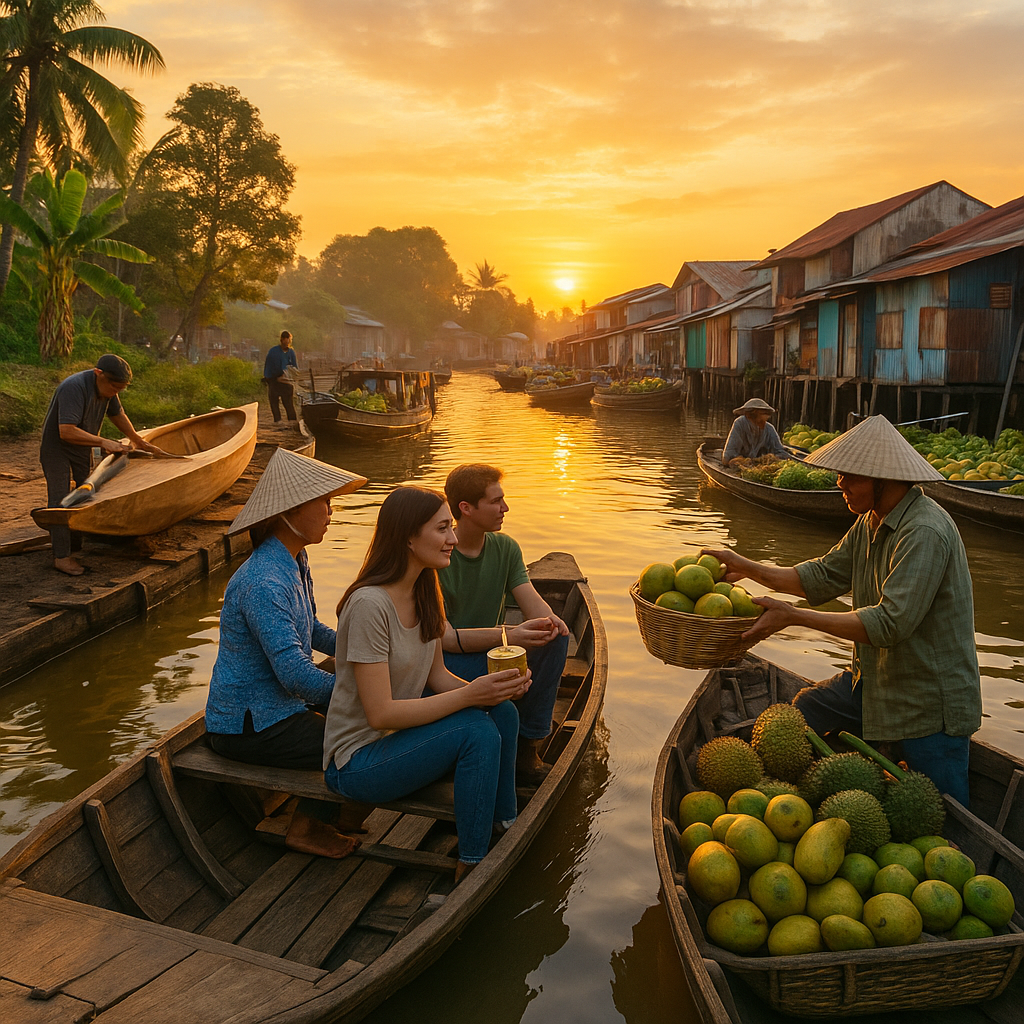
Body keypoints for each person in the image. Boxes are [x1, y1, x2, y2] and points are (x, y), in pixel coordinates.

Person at [703, 415, 982, 806]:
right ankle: (832, 790)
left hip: (926, 701)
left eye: (850, 476)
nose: (840, 484)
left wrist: (795, 616)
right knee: (808, 708)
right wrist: (748, 567)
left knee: (942, 819)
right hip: (876, 681)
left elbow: (889, 624)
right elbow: (822, 575)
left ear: (882, 480)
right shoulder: (871, 521)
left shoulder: (924, 532)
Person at [323, 486, 530, 883]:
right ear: (407, 537)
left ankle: (506, 823)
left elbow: (437, 677)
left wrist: (493, 690)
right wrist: (471, 695)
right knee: (476, 731)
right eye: (442, 529)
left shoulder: (425, 589)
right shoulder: (370, 605)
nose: (453, 538)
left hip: (400, 742)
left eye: (451, 527)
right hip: (357, 762)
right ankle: (472, 864)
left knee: (502, 712)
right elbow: (380, 712)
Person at [205, 447, 370, 858]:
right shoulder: (263, 581)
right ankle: (307, 826)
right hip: (249, 726)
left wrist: (360, 652)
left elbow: (310, 628)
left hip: (280, 711)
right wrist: (362, 690)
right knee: (357, 734)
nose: (331, 512)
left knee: (365, 714)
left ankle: (341, 812)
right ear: (289, 512)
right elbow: (296, 675)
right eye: (324, 503)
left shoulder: (294, 560)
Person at [438, 464, 570, 784]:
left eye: (503, 499)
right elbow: (441, 638)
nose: (505, 508)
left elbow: (529, 599)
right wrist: (509, 634)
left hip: (495, 652)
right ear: (466, 509)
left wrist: (549, 622)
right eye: (496, 501)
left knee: (556, 637)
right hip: (447, 661)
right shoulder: (439, 554)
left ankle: (527, 747)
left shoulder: (505, 547)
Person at [38, 354, 167, 576]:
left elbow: (118, 414)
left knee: (85, 494)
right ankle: (61, 557)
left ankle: (75, 544)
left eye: (120, 389)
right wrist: (103, 441)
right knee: (60, 500)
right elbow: (66, 430)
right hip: (56, 449)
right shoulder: (74, 387)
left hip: (81, 448)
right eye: (114, 387)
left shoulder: (109, 389)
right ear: (98, 374)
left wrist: (137, 440)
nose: (115, 392)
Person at [721, 397, 789, 467]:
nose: (766, 417)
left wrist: (770, 458)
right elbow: (728, 456)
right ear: (751, 414)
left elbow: (782, 453)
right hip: (742, 467)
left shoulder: (769, 428)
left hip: (762, 467)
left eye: (767, 414)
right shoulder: (739, 424)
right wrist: (743, 461)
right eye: (763, 413)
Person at [264, 330, 298, 423]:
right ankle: (277, 420)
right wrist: (270, 378)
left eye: (289, 342)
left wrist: (291, 376)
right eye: (286, 341)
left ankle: (292, 421)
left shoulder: (291, 353)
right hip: (275, 379)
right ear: (282, 340)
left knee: (288, 403)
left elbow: (294, 367)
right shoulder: (273, 351)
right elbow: (268, 365)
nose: (287, 344)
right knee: (274, 401)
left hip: (286, 381)